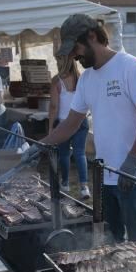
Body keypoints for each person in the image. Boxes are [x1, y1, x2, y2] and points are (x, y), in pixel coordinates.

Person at [27, 14, 136, 244]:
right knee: (111, 241)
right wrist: (41, 145)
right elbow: (70, 123)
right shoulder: (87, 78)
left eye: (76, 47)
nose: (75, 56)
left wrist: (132, 161)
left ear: (91, 36)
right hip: (105, 176)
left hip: (132, 176)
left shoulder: (130, 67)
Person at [49, 54, 90, 199]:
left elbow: (54, 106)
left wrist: (50, 128)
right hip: (81, 120)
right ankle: (84, 187)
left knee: (64, 154)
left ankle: (65, 184)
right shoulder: (82, 78)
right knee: (80, 153)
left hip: (64, 122)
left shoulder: (56, 81)